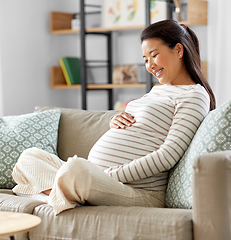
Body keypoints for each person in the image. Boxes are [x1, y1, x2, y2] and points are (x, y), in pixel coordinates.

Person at [12, 20, 216, 215]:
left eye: (154, 55)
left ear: (179, 50)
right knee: (30, 157)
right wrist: (115, 121)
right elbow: (143, 128)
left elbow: (167, 156)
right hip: (101, 179)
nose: (150, 66)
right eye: (145, 59)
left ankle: (53, 195)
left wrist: (105, 176)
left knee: (76, 170)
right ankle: (64, 193)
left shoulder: (194, 95)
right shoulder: (158, 91)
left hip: (140, 192)